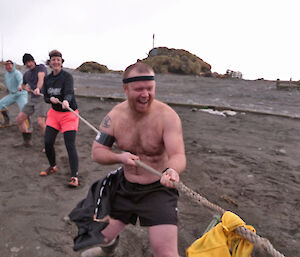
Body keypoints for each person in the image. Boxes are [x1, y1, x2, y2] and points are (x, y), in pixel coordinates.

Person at [90, 62, 186, 257]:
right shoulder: (114, 117)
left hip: (157, 189)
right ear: (125, 89)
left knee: (165, 253)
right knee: (102, 235)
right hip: (125, 186)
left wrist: (172, 171)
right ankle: (108, 249)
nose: (145, 94)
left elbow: (177, 155)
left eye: (149, 89)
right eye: (139, 89)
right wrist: (119, 157)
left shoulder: (168, 117)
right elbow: (97, 152)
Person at [40, 50, 80, 188]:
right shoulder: (48, 79)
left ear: (61, 62)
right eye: (53, 60)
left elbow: (69, 92)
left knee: (70, 145)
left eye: (58, 59)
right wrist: (49, 99)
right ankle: (53, 166)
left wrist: (66, 101)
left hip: (69, 114)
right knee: (48, 142)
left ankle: (74, 176)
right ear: (50, 62)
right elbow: (45, 96)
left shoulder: (67, 76)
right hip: (54, 114)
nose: (56, 62)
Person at [16, 53, 47, 147]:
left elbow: (41, 78)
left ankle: (48, 145)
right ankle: (27, 141)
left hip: (42, 98)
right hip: (32, 99)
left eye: (30, 61)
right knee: (19, 119)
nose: (29, 64)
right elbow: (23, 85)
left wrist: (38, 88)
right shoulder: (26, 74)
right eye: (26, 63)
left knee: (40, 122)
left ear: (33, 61)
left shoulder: (41, 67)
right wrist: (22, 88)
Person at [0, 60, 28, 128]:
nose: (8, 67)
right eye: (6, 65)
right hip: (12, 95)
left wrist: (19, 85)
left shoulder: (17, 73)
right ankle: (7, 122)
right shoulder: (6, 75)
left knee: (24, 110)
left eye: (9, 65)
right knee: (1, 104)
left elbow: (21, 80)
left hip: (21, 94)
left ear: (13, 65)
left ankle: (28, 126)